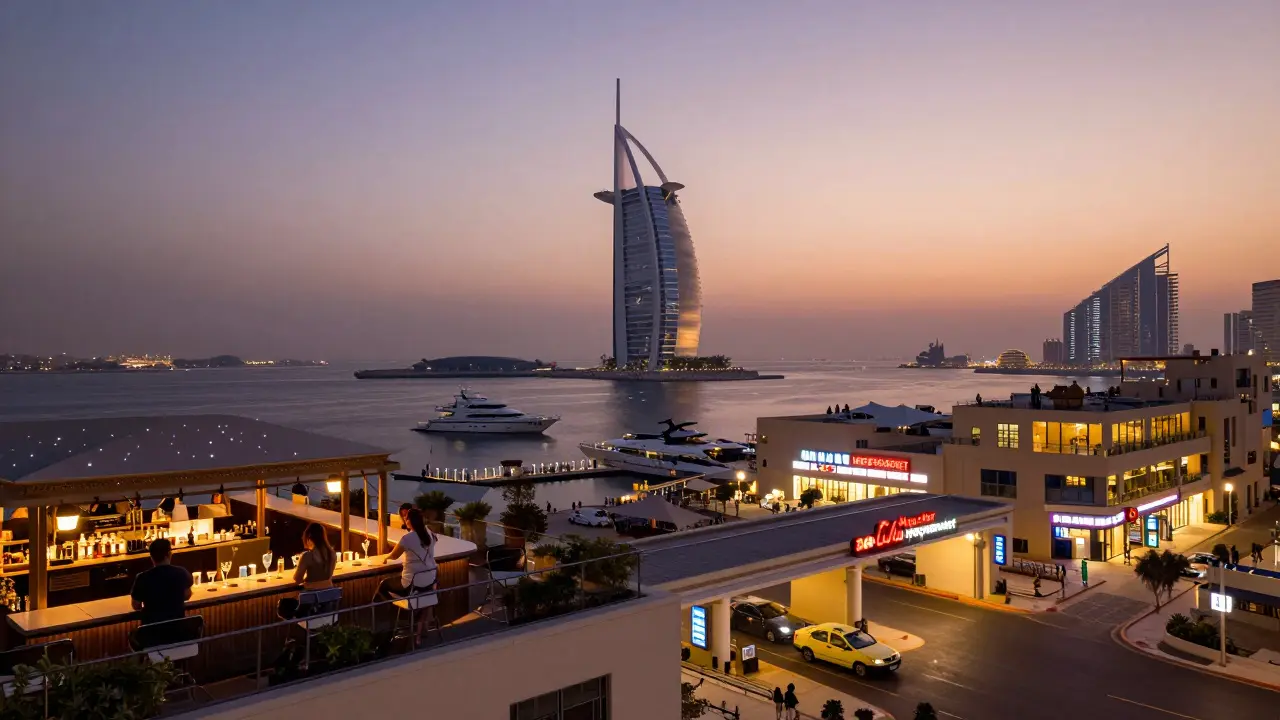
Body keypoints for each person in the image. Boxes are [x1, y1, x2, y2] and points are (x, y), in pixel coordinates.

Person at [380, 509, 438, 641]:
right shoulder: (428, 532)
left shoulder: (407, 538)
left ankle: (397, 616)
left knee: (383, 586)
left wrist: (385, 558)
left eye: (406, 518)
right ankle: (417, 628)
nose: (405, 520)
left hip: (411, 584)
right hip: (429, 582)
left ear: (410, 521)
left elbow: (394, 556)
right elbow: (434, 540)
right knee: (424, 600)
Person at [129, 539, 193, 637]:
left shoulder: (142, 578)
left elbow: (136, 605)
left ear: (151, 557)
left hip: (152, 636)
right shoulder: (182, 572)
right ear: (169, 554)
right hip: (178, 633)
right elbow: (187, 595)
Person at [277, 523, 336, 619]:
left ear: (309, 538)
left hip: (309, 610)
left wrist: (306, 578)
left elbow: (297, 579)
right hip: (328, 608)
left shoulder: (307, 556)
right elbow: (328, 575)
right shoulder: (332, 554)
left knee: (282, 605)